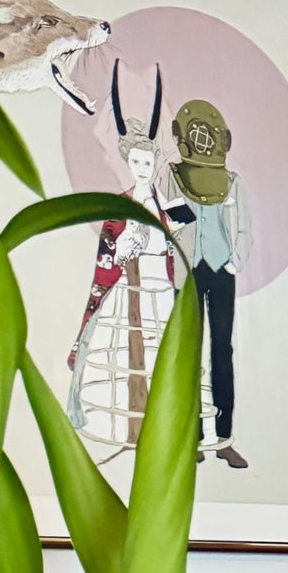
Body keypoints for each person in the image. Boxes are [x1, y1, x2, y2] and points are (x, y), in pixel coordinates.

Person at [67, 62, 177, 460]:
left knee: (161, 353)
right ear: (128, 163)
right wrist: (127, 244)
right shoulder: (120, 206)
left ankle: (159, 432)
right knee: (125, 356)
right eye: (137, 163)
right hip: (127, 288)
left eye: (148, 163)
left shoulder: (164, 205)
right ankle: (125, 431)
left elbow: (172, 248)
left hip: (159, 287)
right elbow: (108, 253)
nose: (143, 169)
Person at [162, 98, 252, 469]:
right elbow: (167, 219)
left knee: (222, 351)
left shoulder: (231, 182)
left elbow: (243, 226)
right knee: (190, 353)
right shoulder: (172, 176)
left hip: (221, 270)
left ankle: (225, 435)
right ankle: (195, 436)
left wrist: (234, 262)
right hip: (188, 272)